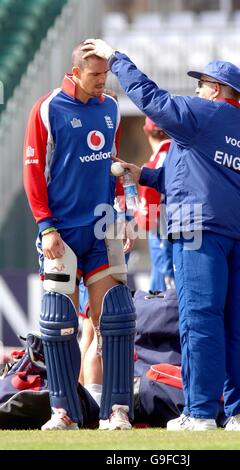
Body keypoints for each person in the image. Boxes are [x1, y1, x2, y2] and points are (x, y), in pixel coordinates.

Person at [81, 39, 240, 431]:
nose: (195, 91)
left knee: (199, 319)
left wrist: (117, 59)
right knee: (236, 322)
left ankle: (199, 413)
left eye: (200, 85)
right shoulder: (239, 127)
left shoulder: (205, 113)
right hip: (238, 234)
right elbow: (190, 177)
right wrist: (140, 173)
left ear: (214, 90)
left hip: (200, 229)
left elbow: (151, 98)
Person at [23, 41, 136, 431]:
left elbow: (112, 165)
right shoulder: (48, 108)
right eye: (95, 75)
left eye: (106, 74)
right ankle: (64, 412)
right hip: (62, 232)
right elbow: (33, 172)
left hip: (103, 227)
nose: (103, 81)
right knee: (60, 324)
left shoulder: (111, 109)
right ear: (76, 72)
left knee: (116, 319)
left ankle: (117, 411)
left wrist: (124, 213)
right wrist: (45, 226)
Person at [136, 117, 174, 292]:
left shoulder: (153, 165)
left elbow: (150, 220)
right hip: (187, 239)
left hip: (165, 242)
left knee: (162, 304)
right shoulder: (184, 156)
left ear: (146, 131)